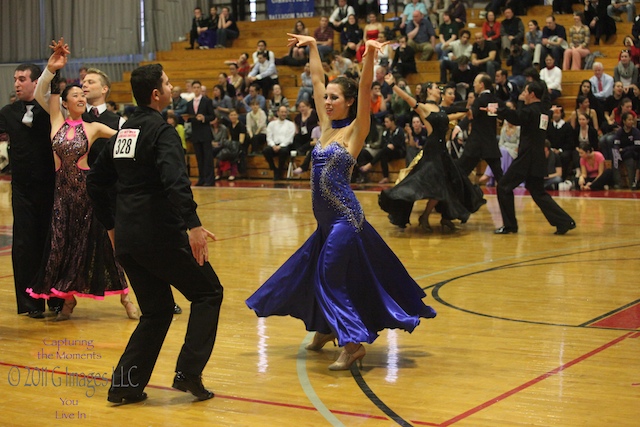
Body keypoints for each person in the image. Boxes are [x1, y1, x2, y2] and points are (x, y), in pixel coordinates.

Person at [247, 33, 436, 372]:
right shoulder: (325, 127)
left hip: (345, 220)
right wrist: (314, 47)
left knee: (328, 277)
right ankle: (325, 327)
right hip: (324, 223)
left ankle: (351, 344)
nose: (328, 100)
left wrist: (368, 59)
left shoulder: (355, 131)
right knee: (310, 274)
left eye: (335, 97)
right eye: (326, 97)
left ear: (349, 102)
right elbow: (317, 80)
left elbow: (364, 89)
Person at [87, 62, 223, 404]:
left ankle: (124, 386)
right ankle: (189, 372)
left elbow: (95, 182)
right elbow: (175, 182)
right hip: (160, 236)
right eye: (167, 82)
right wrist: (193, 226)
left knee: (157, 311)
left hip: (130, 240)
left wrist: (113, 226)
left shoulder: (123, 133)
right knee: (208, 293)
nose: (172, 87)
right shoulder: (161, 132)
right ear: (156, 94)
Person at [27, 39, 132, 321]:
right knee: (62, 246)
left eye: (88, 86)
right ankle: (68, 302)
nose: (83, 92)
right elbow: (45, 93)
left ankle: (127, 299)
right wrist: (54, 67)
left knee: (104, 248)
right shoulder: (56, 121)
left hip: (91, 193)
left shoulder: (99, 124)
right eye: (77, 91)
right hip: (63, 195)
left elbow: (128, 137)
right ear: (65, 102)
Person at [379, 78, 485, 231]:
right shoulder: (423, 108)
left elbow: (448, 118)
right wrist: (393, 85)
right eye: (436, 87)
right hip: (432, 152)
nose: (438, 90)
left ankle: (447, 216)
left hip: (443, 152)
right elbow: (408, 98)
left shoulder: (439, 109)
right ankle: (425, 216)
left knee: (454, 183)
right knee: (438, 186)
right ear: (429, 90)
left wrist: (465, 113)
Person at [0, 63, 61, 318]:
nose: (16, 83)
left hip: (51, 187)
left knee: (53, 241)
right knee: (25, 245)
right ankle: (30, 303)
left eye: (22, 79)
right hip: (22, 190)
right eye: (15, 79)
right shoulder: (7, 112)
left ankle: (56, 299)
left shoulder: (50, 110)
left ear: (36, 83)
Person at [490, 81, 576, 235]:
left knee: (503, 187)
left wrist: (499, 109)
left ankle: (510, 226)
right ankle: (564, 221)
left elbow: (516, 117)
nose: (523, 93)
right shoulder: (543, 111)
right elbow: (529, 114)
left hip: (527, 157)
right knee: (538, 192)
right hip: (537, 157)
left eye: (525, 91)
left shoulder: (532, 111)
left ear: (532, 94)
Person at [456, 73, 503, 184]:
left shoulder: (479, 100)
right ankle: (507, 200)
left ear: (481, 85)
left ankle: (455, 197)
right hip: (490, 143)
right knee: (500, 177)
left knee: (460, 172)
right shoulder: (495, 100)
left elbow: (470, 115)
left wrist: (459, 127)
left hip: (476, 144)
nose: (474, 85)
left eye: (475, 83)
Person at [359, 113, 406, 184]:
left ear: (392, 122)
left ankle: (370, 165)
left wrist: (393, 145)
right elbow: (383, 143)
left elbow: (399, 143)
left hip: (399, 151)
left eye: (387, 122)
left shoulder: (399, 130)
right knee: (383, 154)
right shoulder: (386, 132)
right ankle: (385, 177)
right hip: (387, 151)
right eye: (385, 122)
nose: (385, 123)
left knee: (385, 150)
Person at [186, 81, 215, 186]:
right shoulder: (189, 103)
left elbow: (212, 116)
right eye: (195, 87)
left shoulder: (207, 101)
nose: (196, 89)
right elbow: (189, 117)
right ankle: (201, 178)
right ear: (192, 89)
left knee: (208, 158)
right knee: (199, 158)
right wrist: (186, 119)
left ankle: (210, 180)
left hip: (205, 133)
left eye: (198, 87)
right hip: (196, 133)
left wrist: (204, 118)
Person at [263, 105, 295, 180]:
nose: (283, 114)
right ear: (278, 113)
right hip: (274, 145)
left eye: (285, 112)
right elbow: (269, 137)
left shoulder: (290, 124)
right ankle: (273, 168)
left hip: (285, 145)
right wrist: (273, 145)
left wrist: (280, 146)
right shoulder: (271, 124)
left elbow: (289, 138)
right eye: (282, 112)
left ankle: (279, 170)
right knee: (266, 150)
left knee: (283, 151)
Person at [612, 111, 640, 188]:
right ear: (624, 121)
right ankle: (618, 183)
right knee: (614, 157)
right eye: (629, 120)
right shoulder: (620, 132)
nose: (631, 121)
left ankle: (632, 183)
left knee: (630, 160)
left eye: (632, 120)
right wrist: (617, 150)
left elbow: (637, 146)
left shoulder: (636, 132)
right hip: (621, 153)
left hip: (633, 153)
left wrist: (624, 149)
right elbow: (616, 143)